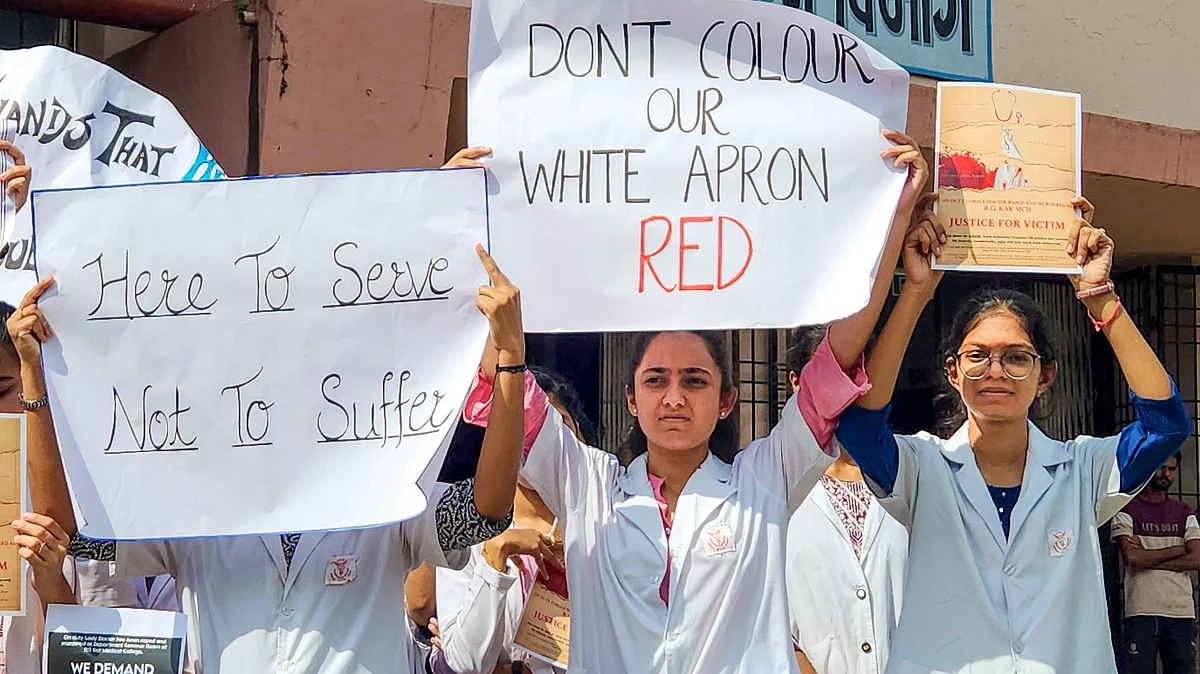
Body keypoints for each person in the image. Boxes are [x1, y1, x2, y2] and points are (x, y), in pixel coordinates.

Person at [463, 130, 928, 672]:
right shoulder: (586, 483)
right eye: (656, 380)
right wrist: (461, 219)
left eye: (696, 380)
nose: (675, 397)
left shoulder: (765, 480)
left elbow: (837, 360)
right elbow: (505, 384)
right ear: (631, 400)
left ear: (727, 401)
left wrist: (892, 223)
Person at [8, 235, 530, 674]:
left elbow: (485, 513)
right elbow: (70, 538)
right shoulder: (191, 497)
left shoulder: (386, 486)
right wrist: (35, 377)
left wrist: (508, 359)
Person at [832, 196, 1192, 673]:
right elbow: (859, 427)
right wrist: (915, 293)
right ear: (953, 372)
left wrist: (1101, 297)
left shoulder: (1080, 471)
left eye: (1017, 357)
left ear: (1046, 376)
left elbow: (1166, 425)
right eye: (977, 356)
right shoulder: (922, 468)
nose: (995, 371)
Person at [425, 367, 596, 674]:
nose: (533, 447)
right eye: (521, 433)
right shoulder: (470, 528)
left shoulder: (601, 523)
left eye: (557, 428)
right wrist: (495, 557)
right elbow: (465, 663)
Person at [784, 326, 908, 674]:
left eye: (857, 375)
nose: (848, 391)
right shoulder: (773, 483)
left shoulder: (909, 471)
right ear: (798, 383)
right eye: (834, 377)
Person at [1112, 453, 1200, 674]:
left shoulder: (1184, 512)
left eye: (1171, 469)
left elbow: (1197, 559)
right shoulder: (1127, 509)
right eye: (1161, 468)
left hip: (1180, 610)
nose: (1166, 474)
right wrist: (1179, 549)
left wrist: (1148, 557)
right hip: (1142, 608)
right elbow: (1132, 558)